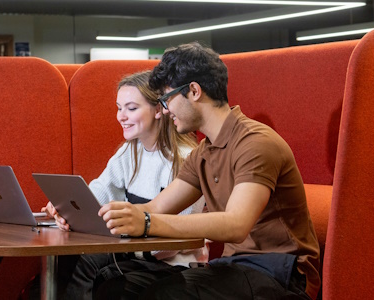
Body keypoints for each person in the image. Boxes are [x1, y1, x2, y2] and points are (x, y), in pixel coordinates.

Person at [96, 42, 321, 299]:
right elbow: (156, 207)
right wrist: (98, 218)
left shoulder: (256, 142)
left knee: (166, 294)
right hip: (233, 268)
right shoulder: (204, 151)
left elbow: (236, 224)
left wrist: (146, 223)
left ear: (193, 91)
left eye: (167, 99)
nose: (166, 110)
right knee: (114, 287)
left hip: (281, 272)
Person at [40, 71, 206, 299]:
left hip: (171, 263)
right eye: (119, 108)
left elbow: (173, 242)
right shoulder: (130, 152)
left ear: (159, 110)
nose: (121, 116)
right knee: (66, 263)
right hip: (133, 254)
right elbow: (100, 192)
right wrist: (68, 208)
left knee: (104, 278)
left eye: (131, 108)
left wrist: (120, 233)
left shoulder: (185, 160)